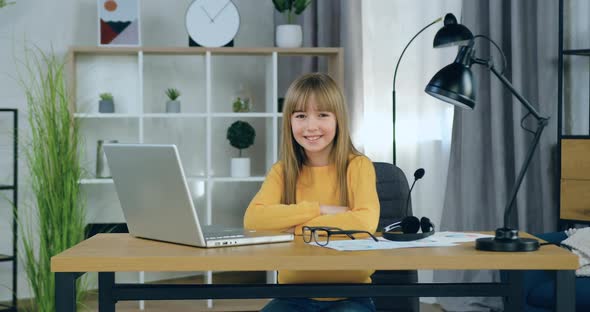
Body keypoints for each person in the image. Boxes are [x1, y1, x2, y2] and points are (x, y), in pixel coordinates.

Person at [244, 73, 380, 312]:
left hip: (351, 295)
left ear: (339, 119)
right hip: (292, 295)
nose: (311, 126)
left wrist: (292, 229)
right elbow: (253, 221)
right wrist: (319, 209)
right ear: (289, 121)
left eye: (323, 115)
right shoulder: (282, 171)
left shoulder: (358, 166)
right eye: (301, 116)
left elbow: (364, 223)